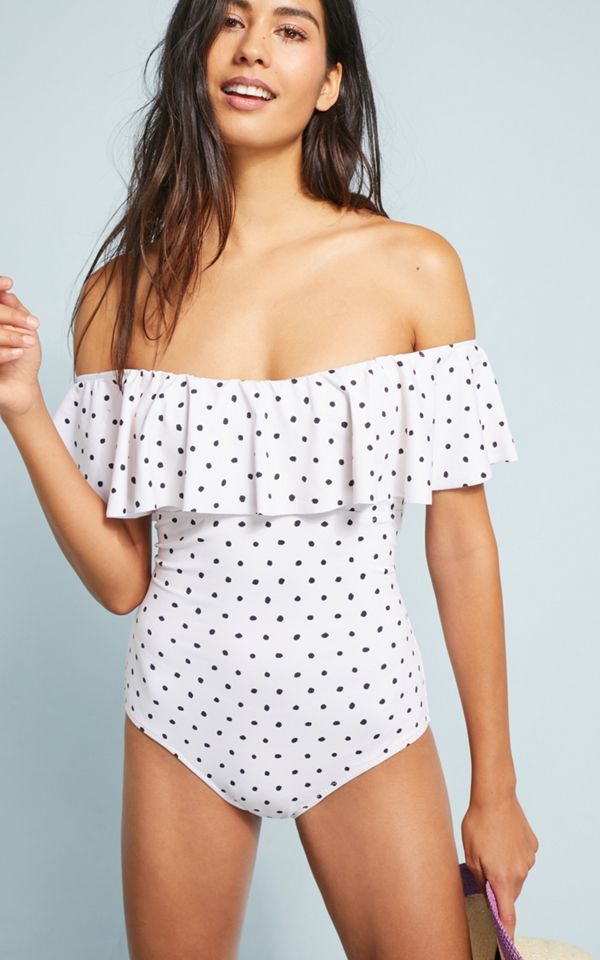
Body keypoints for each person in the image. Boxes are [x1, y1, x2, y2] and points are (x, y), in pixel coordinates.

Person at [0, 1, 539, 958]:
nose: (253, 47)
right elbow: (123, 580)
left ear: (330, 82)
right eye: (230, 20)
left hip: (362, 712)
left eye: (291, 29)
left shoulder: (412, 268)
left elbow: (460, 539)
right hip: (180, 715)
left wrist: (494, 789)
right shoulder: (118, 295)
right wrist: (21, 407)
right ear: (194, 54)